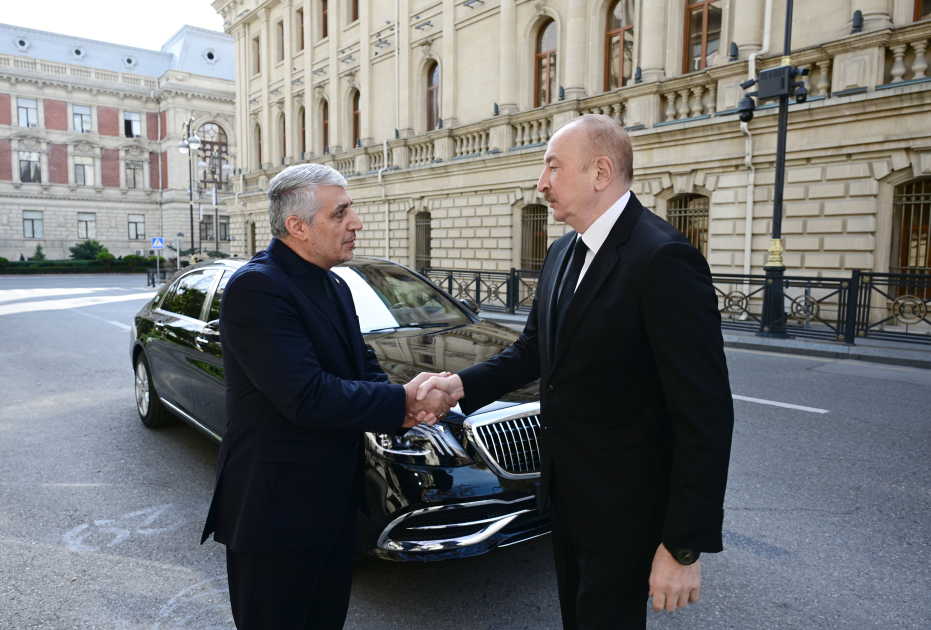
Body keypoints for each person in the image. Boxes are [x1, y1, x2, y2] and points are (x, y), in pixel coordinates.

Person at [416, 114, 734, 629]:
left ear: (600, 172)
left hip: (626, 513)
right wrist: (456, 386)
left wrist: (683, 546)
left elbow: (706, 414)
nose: (541, 183)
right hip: (563, 497)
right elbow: (533, 352)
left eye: (553, 167)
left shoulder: (664, 258)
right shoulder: (563, 250)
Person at [200, 163, 456, 629]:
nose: (356, 222)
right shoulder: (257, 287)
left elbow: (363, 367)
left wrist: (409, 400)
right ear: (297, 226)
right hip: (276, 515)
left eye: (351, 209)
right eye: (340, 213)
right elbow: (306, 396)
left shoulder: (335, 283)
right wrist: (404, 402)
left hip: (333, 508)